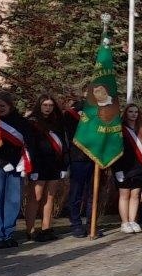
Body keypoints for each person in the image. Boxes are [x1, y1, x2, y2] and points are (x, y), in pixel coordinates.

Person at [0, 92, 31, 248]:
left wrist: (23, 162)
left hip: (16, 165)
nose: (0, 109)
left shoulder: (21, 122)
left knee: (13, 200)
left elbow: (27, 143)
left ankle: (8, 233)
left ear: (10, 106)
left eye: (3, 106)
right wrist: (1, 162)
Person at [23, 94, 67, 241]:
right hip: (38, 165)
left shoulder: (58, 121)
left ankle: (46, 228)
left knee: (50, 197)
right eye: (45, 105)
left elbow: (63, 144)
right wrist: (32, 168)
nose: (48, 108)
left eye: (50, 105)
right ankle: (30, 230)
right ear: (39, 105)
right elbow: (29, 146)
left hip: (54, 164)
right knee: (35, 197)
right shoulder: (31, 122)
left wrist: (64, 165)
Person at [115, 103, 142, 233]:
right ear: (126, 113)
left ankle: (132, 220)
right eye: (131, 112)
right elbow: (115, 150)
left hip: (139, 167)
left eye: (136, 112)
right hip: (124, 167)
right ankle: (124, 222)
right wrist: (117, 169)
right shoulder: (120, 129)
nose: (133, 114)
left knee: (136, 195)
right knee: (124, 195)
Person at [63, 97, 94, 238]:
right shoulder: (71, 115)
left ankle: (91, 224)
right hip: (78, 159)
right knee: (76, 194)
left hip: (94, 159)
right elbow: (71, 134)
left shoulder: (98, 114)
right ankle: (75, 223)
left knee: (92, 195)